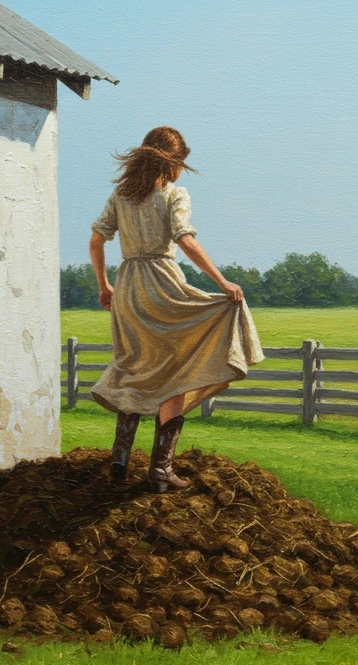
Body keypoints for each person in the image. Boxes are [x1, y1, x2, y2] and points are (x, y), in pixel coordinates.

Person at [88, 127, 263, 491]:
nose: (182, 169)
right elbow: (184, 239)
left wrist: (104, 285)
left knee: (135, 368)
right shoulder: (173, 194)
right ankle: (160, 471)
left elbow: (96, 240)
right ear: (171, 161)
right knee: (177, 371)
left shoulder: (120, 195)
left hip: (128, 289)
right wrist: (222, 283)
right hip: (162, 285)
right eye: (181, 161)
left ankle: (119, 462)